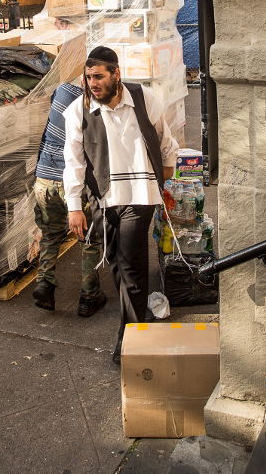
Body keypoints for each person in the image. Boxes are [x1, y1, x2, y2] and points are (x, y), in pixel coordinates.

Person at [62, 46, 179, 364]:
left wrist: (165, 177)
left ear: (116, 74)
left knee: (130, 264)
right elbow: (73, 162)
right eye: (88, 77)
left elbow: (164, 139)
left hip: (140, 194)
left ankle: (129, 338)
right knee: (116, 261)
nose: (93, 83)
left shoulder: (144, 98)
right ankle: (137, 314)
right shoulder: (77, 111)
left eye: (99, 76)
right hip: (104, 196)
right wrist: (74, 206)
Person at [32, 82, 106, 317]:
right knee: (89, 239)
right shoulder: (95, 106)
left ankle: (44, 284)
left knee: (50, 234)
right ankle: (89, 296)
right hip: (73, 182)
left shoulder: (62, 91)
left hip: (44, 179)